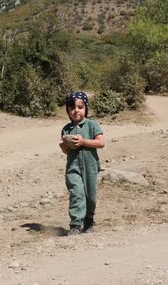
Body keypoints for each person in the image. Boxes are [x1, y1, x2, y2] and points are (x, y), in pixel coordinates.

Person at [59, 92, 105, 235]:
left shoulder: (92, 125)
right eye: (72, 107)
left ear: (86, 109)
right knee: (76, 194)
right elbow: (67, 152)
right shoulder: (66, 129)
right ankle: (75, 225)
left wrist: (84, 142)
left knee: (90, 196)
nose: (76, 110)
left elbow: (101, 143)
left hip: (90, 166)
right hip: (73, 168)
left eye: (80, 107)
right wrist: (64, 146)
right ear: (68, 110)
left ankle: (89, 220)